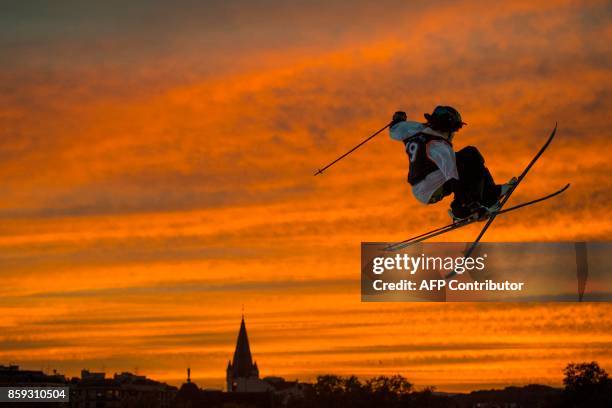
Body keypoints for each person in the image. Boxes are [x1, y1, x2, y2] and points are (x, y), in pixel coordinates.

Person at [389, 106, 516, 220]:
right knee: (471, 156)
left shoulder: (415, 129)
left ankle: (490, 195)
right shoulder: (440, 147)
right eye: (455, 129)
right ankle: (462, 209)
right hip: (433, 190)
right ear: (447, 128)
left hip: (422, 187)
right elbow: (455, 179)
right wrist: (472, 207)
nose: (454, 134)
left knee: (466, 158)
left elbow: (394, 130)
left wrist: (397, 120)